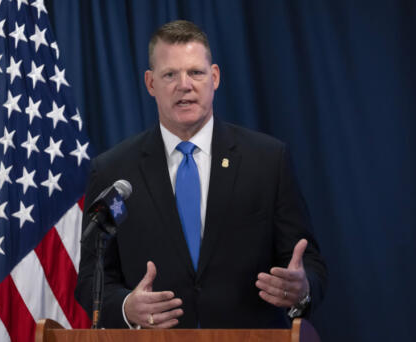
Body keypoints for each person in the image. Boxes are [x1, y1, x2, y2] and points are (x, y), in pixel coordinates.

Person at [75, 20, 327, 329]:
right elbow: (91, 277)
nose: (185, 85)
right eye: (170, 75)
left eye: (196, 72)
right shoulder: (113, 171)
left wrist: (302, 290)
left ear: (215, 77)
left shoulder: (267, 161)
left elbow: (309, 264)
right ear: (151, 83)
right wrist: (128, 307)